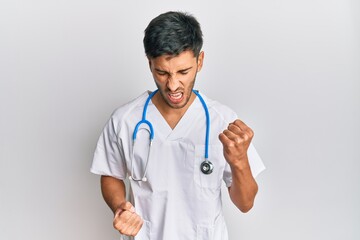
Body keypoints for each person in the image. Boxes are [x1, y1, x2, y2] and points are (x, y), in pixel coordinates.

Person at [91, 11, 265, 240]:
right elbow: (110, 173)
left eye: (183, 72)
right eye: (162, 72)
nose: (173, 85)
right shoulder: (125, 120)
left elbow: (246, 204)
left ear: (200, 61)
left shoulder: (222, 121)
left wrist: (240, 161)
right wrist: (119, 207)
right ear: (150, 64)